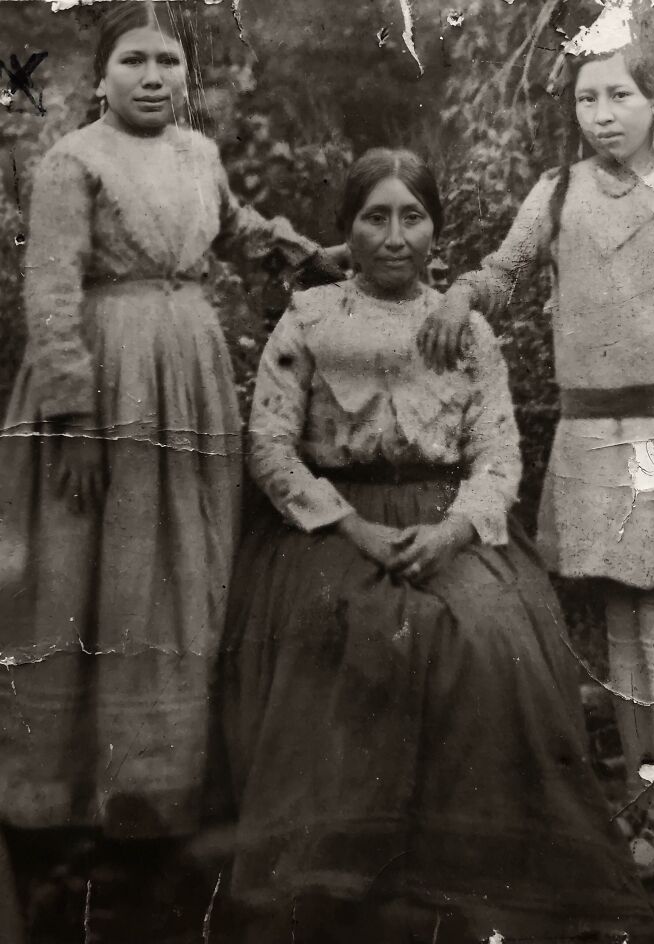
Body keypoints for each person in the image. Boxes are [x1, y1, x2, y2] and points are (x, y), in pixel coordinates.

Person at [218, 147, 653, 943]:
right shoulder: (310, 318)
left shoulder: (466, 330)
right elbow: (270, 447)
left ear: (435, 231)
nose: (394, 237)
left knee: (489, 635)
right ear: (347, 230)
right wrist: (352, 526)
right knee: (341, 630)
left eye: (412, 217)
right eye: (374, 218)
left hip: (446, 519)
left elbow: (499, 455)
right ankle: (342, 865)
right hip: (334, 523)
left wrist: (454, 530)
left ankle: (480, 858)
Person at [0, 1, 341, 934]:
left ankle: (158, 789)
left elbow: (238, 229)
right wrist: (73, 416)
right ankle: (72, 799)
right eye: (134, 61)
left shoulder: (197, 155)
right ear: (101, 75)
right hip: (104, 384)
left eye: (168, 61)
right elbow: (50, 288)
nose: (154, 78)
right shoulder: (74, 162)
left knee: (178, 571)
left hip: (186, 379)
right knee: (93, 572)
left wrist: (312, 255)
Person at [418, 43, 654, 881]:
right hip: (591, 431)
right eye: (587, 98)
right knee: (618, 619)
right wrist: (461, 293)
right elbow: (503, 272)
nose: (602, 115)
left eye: (620, 96)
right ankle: (643, 804)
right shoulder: (560, 192)